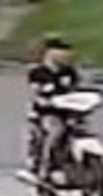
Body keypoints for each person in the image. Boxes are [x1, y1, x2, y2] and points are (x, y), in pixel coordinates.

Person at [26, 36, 82, 176]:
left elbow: (76, 89)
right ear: (50, 53)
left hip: (68, 111)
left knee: (80, 129)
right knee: (54, 133)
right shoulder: (38, 72)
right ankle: (44, 166)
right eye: (60, 51)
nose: (65, 55)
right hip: (46, 112)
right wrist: (46, 98)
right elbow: (38, 91)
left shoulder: (69, 72)